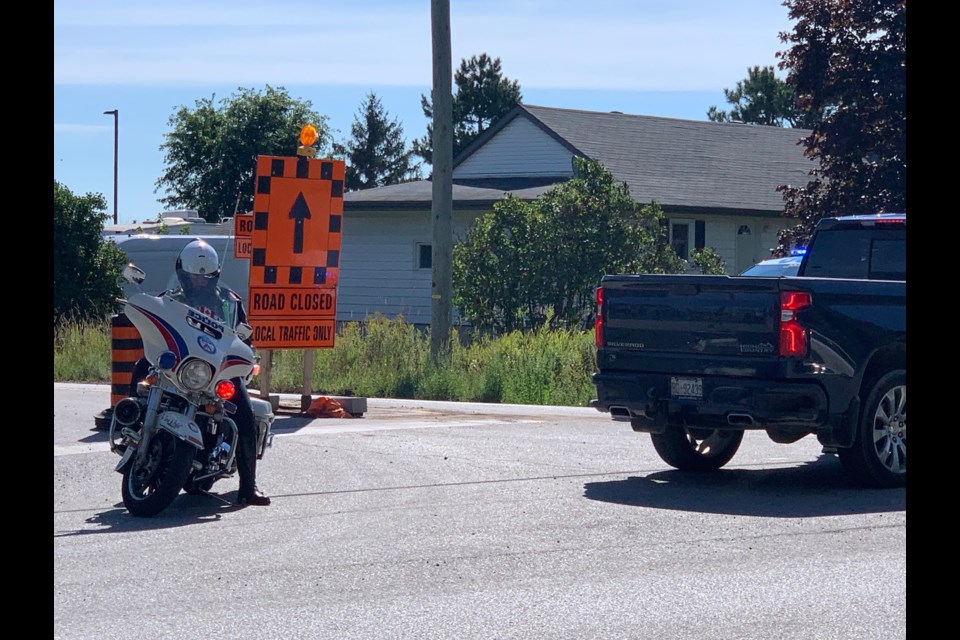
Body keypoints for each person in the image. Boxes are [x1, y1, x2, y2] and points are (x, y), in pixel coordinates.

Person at [128, 238, 270, 506]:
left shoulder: (229, 303)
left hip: (217, 371)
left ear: (215, 276)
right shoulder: (171, 298)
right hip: (182, 363)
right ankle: (133, 425)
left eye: (205, 278)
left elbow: (244, 337)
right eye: (193, 277)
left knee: (245, 415)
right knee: (142, 366)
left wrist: (244, 347)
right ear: (182, 273)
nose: (199, 283)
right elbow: (157, 318)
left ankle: (248, 486)